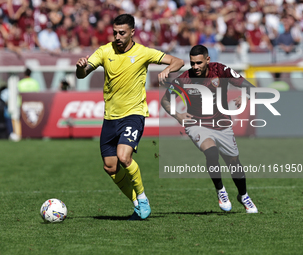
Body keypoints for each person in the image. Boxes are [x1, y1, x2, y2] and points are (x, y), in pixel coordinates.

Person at [76, 14, 184, 220]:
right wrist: (80, 67)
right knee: (110, 166)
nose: (117, 36)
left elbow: (178, 61)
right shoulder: (104, 51)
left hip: (134, 114)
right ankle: (136, 203)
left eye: (122, 33)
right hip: (110, 117)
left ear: (132, 32)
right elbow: (82, 74)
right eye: (115, 32)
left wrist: (168, 70)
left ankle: (142, 198)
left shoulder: (143, 52)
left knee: (124, 157)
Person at [161, 45, 258, 213]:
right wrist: (177, 115)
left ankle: (243, 195)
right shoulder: (185, 78)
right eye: (192, 63)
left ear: (208, 60)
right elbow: (165, 101)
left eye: (199, 63)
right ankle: (221, 191)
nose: (195, 67)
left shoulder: (220, 70)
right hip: (197, 124)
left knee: (233, 163)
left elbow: (249, 86)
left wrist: (245, 96)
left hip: (222, 123)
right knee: (211, 153)